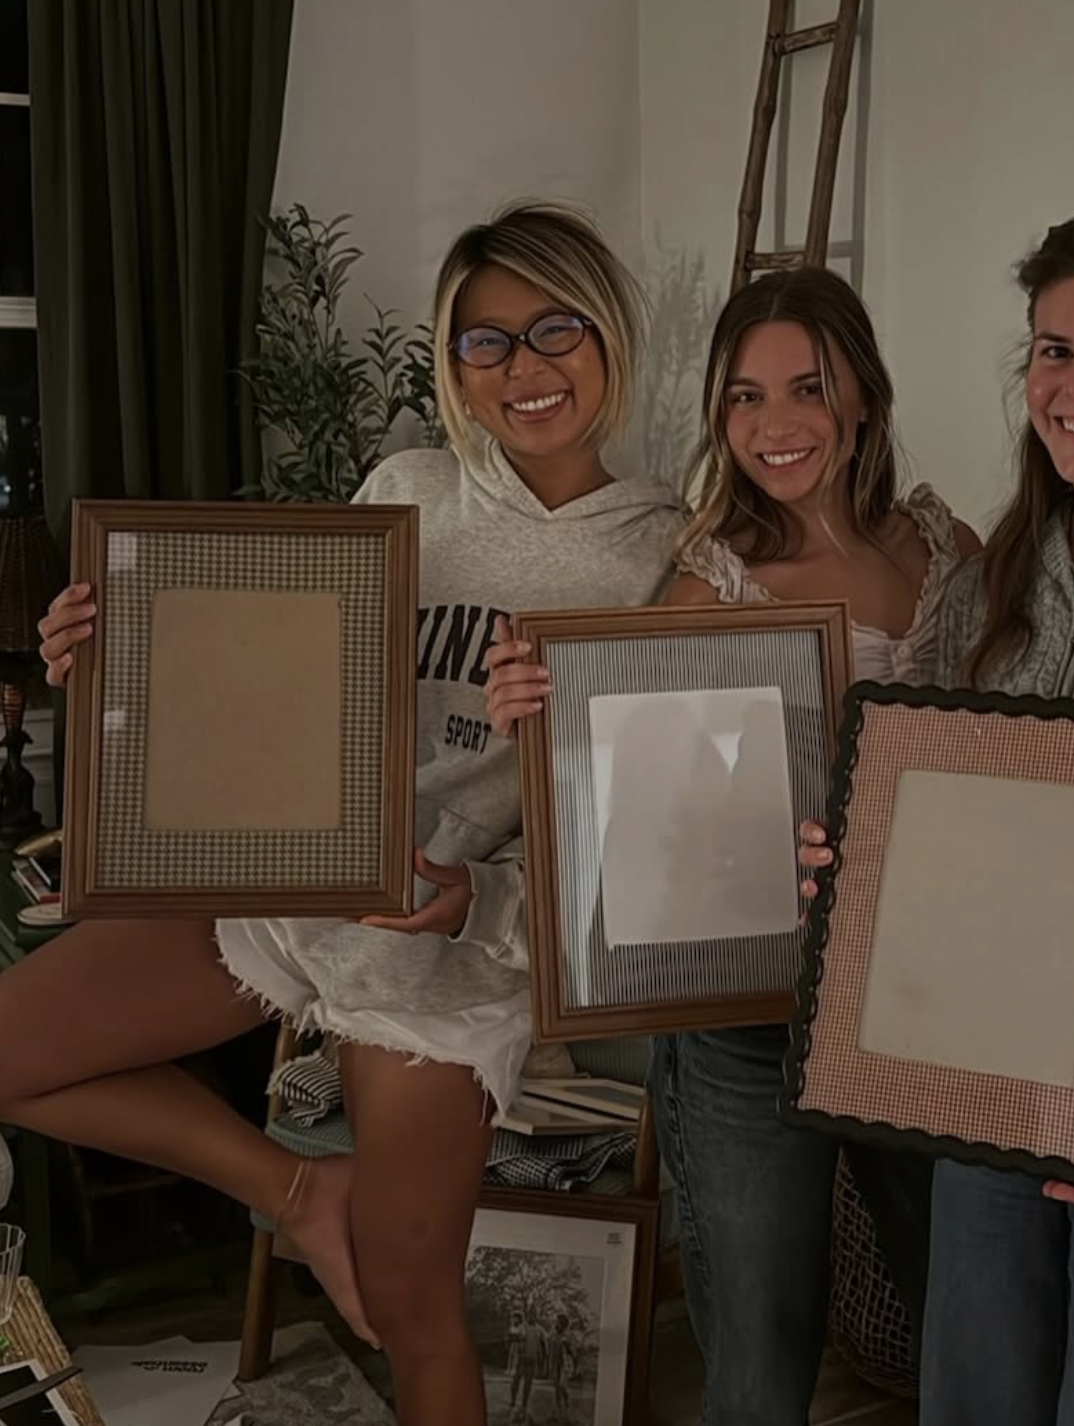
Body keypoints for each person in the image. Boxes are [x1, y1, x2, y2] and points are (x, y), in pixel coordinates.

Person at [1, 201, 680, 1426]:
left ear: (610, 334)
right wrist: (110, 660)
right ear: (451, 363)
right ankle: (299, 1196)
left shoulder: (661, 550)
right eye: (485, 342)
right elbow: (267, 679)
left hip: (450, 950)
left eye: (554, 330)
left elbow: (639, 833)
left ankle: (332, 1214)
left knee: (417, 1315)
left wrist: (485, 896)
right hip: (291, 888)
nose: (523, 368)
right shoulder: (406, 488)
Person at [486, 265, 980, 1426]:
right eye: (742, 399)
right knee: (758, 1343)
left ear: (860, 393)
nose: (773, 425)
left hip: (924, 1003)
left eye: (805, 387)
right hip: (750, 1007)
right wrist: (535, 707)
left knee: (964, 1310)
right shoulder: (706, 582)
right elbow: (602, 772)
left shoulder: (945, 543)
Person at [915, 203, 1074, 1425]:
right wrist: (851, 867)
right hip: (989, 1086)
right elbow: (911, 819)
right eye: (1053, 350)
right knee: (975, 1397)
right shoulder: (980, 586)